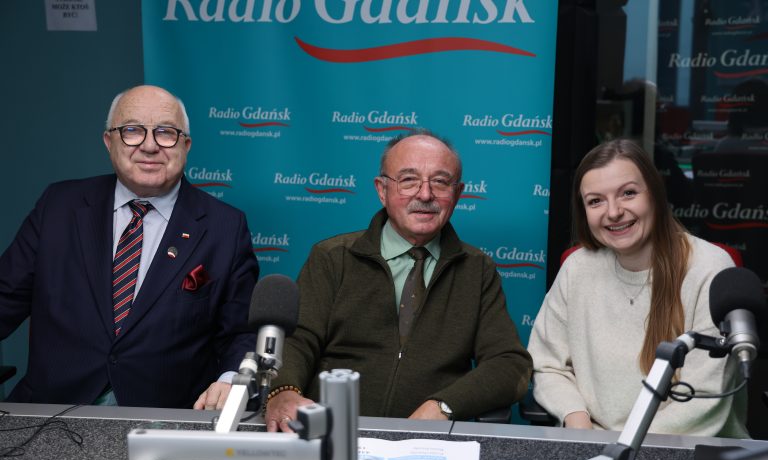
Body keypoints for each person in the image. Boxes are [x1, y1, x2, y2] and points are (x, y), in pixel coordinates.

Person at [0, 85, 259, 409]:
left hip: (167, 420)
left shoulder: (225, 228)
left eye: (166, 132)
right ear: (109, 141)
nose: (149, 146)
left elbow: (242, 332)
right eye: (132, 131)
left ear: (186, 145)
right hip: (52, 413)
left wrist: (230, 381)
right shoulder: (58, 207)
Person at [264, 129, 532, 432]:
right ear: (381, 189)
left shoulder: (477, 269)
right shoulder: (333, 257)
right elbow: (297, 340)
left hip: (427, 445)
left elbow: (510, 364)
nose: (425, 194)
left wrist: (444, 406)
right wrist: (283, 390)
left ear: (457, 193)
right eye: (408, 180)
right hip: (330, 434)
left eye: (441, 182)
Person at [527, 139, 748, 437]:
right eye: (596, 201)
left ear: (655, 195)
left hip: (685, 452)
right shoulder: (577, 268)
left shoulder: (710, 267)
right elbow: (547, 365)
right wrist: (577, 421)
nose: (614, 212)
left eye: (628, 193)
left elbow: (704, 398)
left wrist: (623, 449)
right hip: (594, 444)